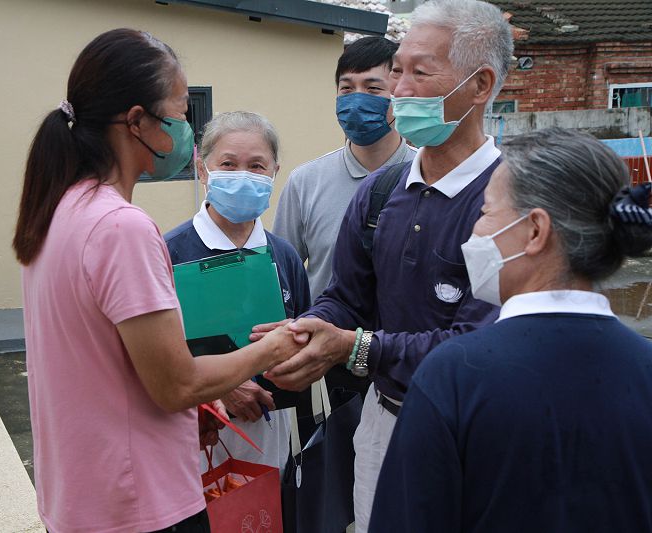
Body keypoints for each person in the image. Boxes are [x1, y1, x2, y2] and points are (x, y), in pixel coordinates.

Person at [13, 29, 301, 533]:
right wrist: (274, 347)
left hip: (82, 492)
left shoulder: (59, 210)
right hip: (137, 499)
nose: (185, 129)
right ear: (137, 122)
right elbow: (176, 384)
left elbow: (112, 366)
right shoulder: (122, 228)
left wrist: (198, 404)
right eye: (180, 113)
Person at [255, 1, 514, 531]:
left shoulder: (513, 203)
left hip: (476, 433)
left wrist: (352, 347)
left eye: (421, 72)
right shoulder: (382, 192)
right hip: (382, 420)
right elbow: (347, 297)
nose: (401, 89)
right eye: (398, 70)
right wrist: (309, 329)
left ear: (481, 85)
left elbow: (475, 348)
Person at [370, 127, 652, 532]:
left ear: (536, 230)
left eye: (486, 213)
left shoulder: (453, 375)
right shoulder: (644, 368)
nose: (475, 232)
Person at [165, 111, 311, 472]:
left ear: (275, 172)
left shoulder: (283, 255)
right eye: (228, 164)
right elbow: (153, 355)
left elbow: (305, 338)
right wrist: (223, 386)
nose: (242, 176)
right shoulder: (168, 253)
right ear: (202, 169)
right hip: (195, 436)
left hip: (271, 434)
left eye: (256, 166)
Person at [273, 36, 414, 398]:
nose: (356, 99)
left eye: (373, 88)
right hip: (327, 370)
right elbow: (283, 280)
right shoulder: (305, 182)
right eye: (346, 88)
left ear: (400, 93)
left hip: (404, 365)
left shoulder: (427, 177)